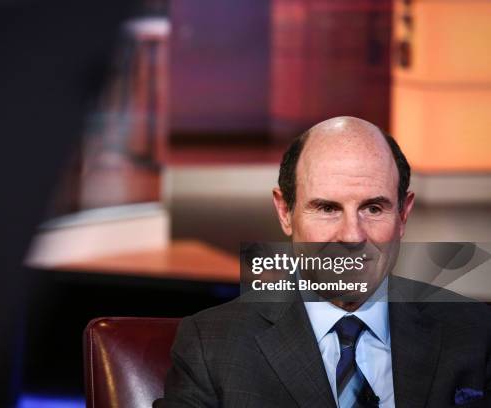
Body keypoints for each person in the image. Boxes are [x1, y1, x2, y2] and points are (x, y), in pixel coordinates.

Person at [155, 117, 491, 407]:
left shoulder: (477, 332)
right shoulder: (212, 345)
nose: (351, 235)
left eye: (373, 208)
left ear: (403, 214)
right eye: (328, 209)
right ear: (285, 212)